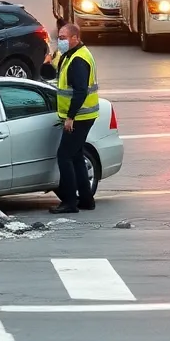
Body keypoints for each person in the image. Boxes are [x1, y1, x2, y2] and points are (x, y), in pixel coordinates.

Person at [49, 22, 99, 214]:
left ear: (75, 38)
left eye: (63, 38)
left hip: (80, 116)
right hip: (83, 115)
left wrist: (70, 117)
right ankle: (86, 200)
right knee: (76, 156)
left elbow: (80, 92)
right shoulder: (72, 55)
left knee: (64, 156)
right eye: (59, 37)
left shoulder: (78, 59)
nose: (59, 41)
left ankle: (69, 201)